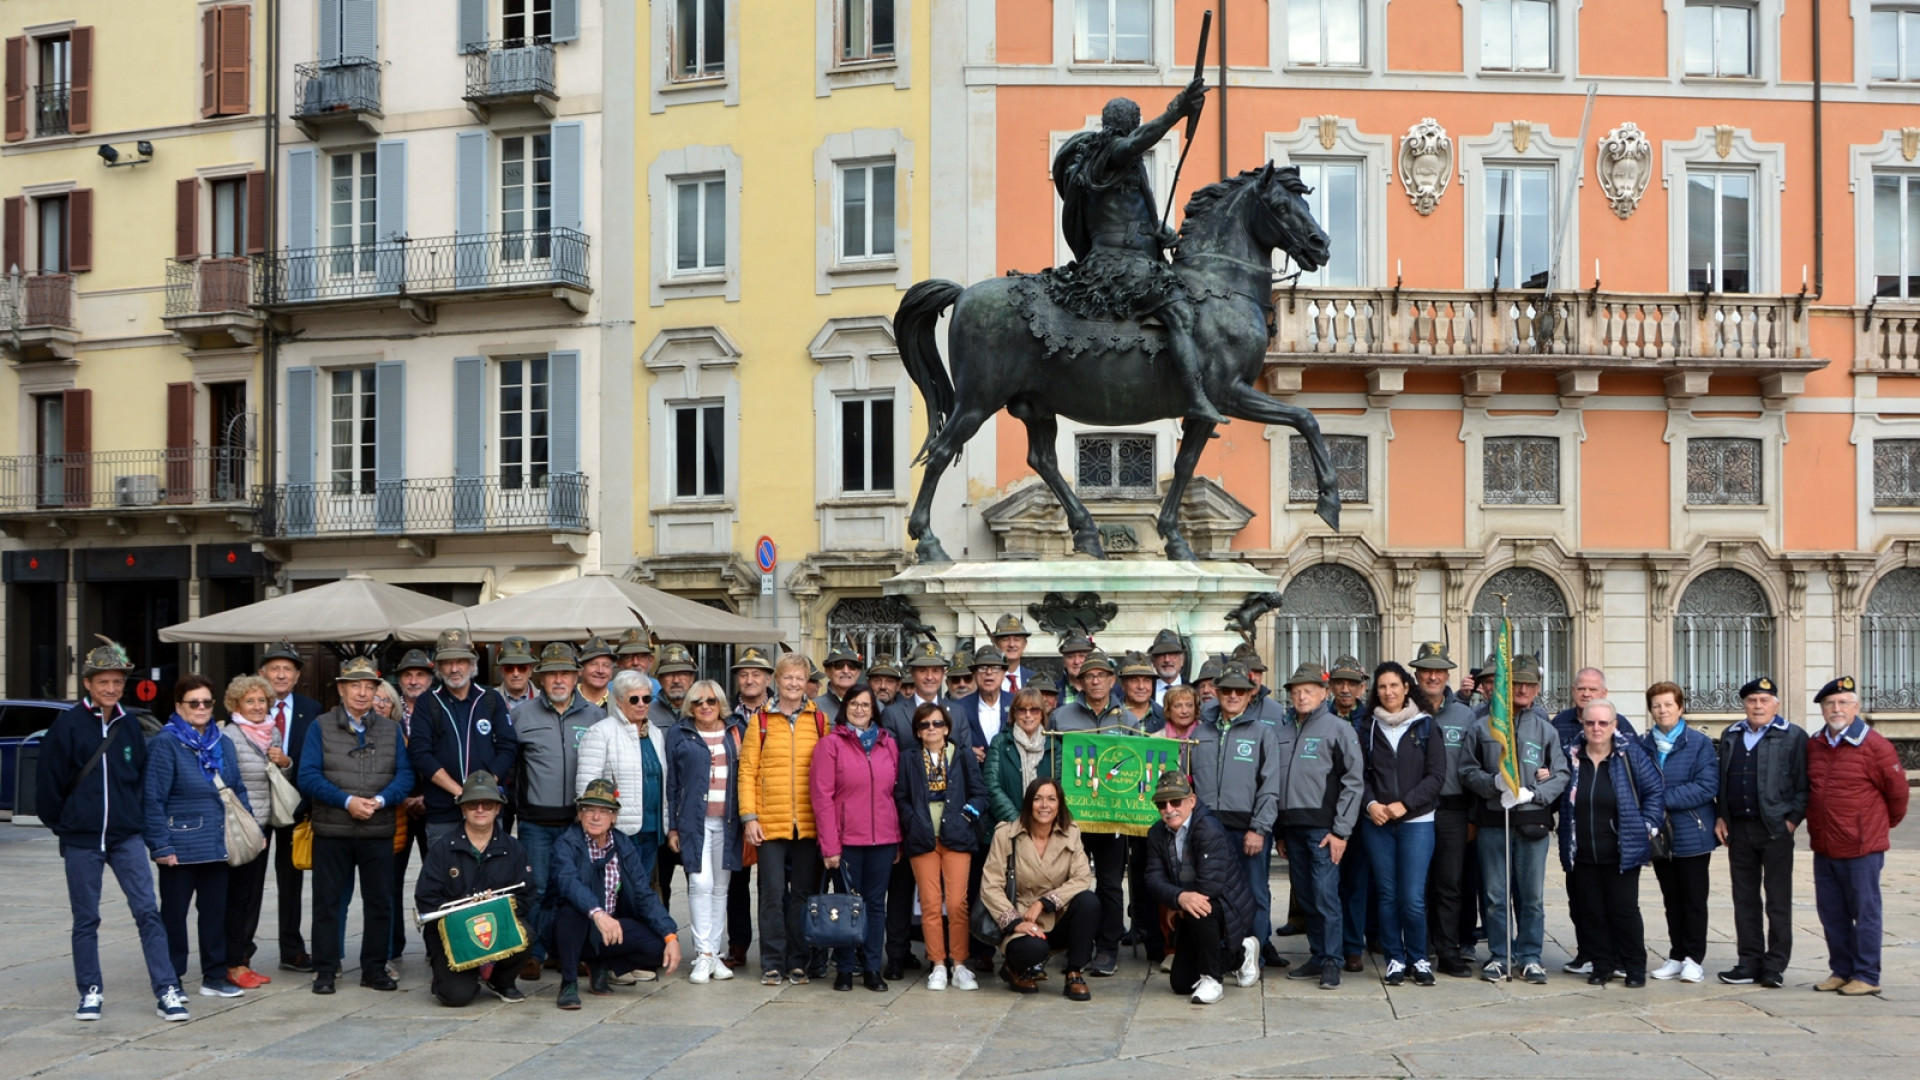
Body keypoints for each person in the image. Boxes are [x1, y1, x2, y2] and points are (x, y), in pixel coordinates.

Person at [1052, 83, 1222, 423]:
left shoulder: (1118, 163)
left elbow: (1130, 213)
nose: (1139, 125)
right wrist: (1177, 109)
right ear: (1128, 122)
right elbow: (1137, 143)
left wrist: (1159, 232)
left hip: (1137, 258)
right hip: (1116, 264)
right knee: (1179, 313)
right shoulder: (1107, 154)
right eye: (1137, 119)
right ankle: (1196, 400)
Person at [40, 640, 185, 1022]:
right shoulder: (67, 726)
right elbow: (47, 787)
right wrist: (68, 824)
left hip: (125, 837)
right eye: (102, 681)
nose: (110, 688)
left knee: (147, 911)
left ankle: (167, 989)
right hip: (82, 839)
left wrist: (131, 819)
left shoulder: (130, 726)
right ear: (88, 683)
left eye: (117, 681)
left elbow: (138, 779)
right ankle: (90, 991)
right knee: (86, 918)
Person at [297, 657, 415, 994]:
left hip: (377, 829)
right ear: (341, 689)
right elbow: (307, 775)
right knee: (328, 903)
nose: (363, 693)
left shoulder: (391, 730)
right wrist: (347, 801)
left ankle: (374, 969)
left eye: (369, 686)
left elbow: (405, 775)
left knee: (380, 903)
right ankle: (325, 970)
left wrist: (379, 801)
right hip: (333, 829)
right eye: (355, 686)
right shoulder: (320, 726)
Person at [1049, 648, 1160, 975]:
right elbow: (1056, 764)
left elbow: (1135, 769)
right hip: (1074, 817)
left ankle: (1108, 947)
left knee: (1110, 883)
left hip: (1112, 819)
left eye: (1101, 676)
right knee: (1071, 881)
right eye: (1089, 676)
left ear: (1113, 681)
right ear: (1080, 682)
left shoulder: (1128, 719)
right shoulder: (1062, 716)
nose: (1095, 681)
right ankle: (1075, 944)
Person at [1460, 654, 1568, 985]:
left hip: (1532, 823)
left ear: (1537, 690)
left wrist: (1536, 793)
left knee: (1531, 897)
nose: (1522, 689)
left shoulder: (1546, 730)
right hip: (1494, 821)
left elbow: (1562, 773)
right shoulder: (1482, 727)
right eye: (1516, 683)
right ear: (1505, 687)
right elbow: (1466, 770)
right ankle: (1499, 955)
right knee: (1494, 896)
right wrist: (1492, 783)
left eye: (1529, 685)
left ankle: (1530, 956)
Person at [143, 675, 252, 1001]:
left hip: (217, 844)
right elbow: (153, 798)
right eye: (194, 703)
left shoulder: (223, 742)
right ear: (179, 706)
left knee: (215, 914)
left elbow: (237, 789)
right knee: (174, 917)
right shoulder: (166, 742)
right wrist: (161, 845)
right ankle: (171, 978)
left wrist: (251, 828)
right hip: (180, 844)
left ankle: (214, 976)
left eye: (206, 702)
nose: (201, 708)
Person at [1806, 676, 1908, 997]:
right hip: (1825, 844)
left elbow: (1898, 795)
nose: (1836, 708)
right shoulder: (1815, 744)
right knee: (1832, 912)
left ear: (1856, 707)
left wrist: (1876, 827)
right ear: (1822, 709)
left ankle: (1866, 974)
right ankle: (1841, 970)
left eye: (1843, 703)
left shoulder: (1876, 746)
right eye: (1830, 704)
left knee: (1865, 912)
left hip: (1862, 847)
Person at [511, 642, 605, 979]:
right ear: (542, 678)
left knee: (574, 888)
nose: (558, 680)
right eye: (551, 674)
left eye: (565, 672)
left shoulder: (595, 716)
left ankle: (568, 952)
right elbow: (512, 766)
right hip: (535, 820)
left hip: (577, 822)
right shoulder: (521, 715)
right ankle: (532, 953)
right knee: (535, 888)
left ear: (576, 675)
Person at [545, 780, 682, 1009]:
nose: (596, 817)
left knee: (659, 948)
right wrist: (597, 914)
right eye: (589, 810)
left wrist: (670, 935)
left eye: (603, 811)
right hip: (569, 931)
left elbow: (642, 893)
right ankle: (568, 982)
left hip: (610, 926)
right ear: (580, 814)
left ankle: (601, 963)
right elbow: (569, 883)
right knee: (572, 911)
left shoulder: (622, 844)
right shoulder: (566, 843)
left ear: (614, 817)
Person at [1556, 699, 1664, 988]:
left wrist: (1647, 828)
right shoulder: (1570, 755)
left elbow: (1654, 791)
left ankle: (1634, 967)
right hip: (1581, 850)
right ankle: (1602, 965)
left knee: (1624, 911)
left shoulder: (1630, 755)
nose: (1596, 728)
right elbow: (1557, 788)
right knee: (1591, 911)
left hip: (1621, 849)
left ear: (1614, 725)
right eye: (1591, 722)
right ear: (1583, 724)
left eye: (1603, 723)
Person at [739, 652, 829, 985]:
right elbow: (747, 771)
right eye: (787, 677)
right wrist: (749, 817)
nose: (793, 683)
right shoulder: (760, 721)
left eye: (799, 678)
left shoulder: (819, 720)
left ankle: (798, 961)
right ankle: (772, 962)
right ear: (777, 681)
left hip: (807, 823)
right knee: (772, 894)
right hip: (770, 822)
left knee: (803, 894)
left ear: (807, 683)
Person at [1713, 677, 1808, 989]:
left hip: (1775, 830)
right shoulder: (1731, 735)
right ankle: (1749, 961)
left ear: (1775, 704)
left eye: (1764, 700)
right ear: (1744, 704)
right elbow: (1722, 780)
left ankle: (1775, 965)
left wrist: (1791, 821)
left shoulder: (1793, 736)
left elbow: (1803, 785)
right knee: (1744, 899)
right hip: (1739, 831)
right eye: (1752, 700)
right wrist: (1722, 816)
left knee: (1778, 900)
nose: (1757, 706)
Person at [1275, 662, 1364, 989]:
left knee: (1326, 895)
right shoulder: (1281, 732)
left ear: (1323, 693)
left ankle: (1332, 960)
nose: (1301, 696)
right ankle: (1317, 954)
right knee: (1307, 897)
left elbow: (1353, 783)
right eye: (1296, 691)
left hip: (1324, 831)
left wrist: (1341, 831)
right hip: (1292, 829)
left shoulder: (1339, 730)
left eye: (1309, 690)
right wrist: (1280, 831)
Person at [1357, 661, 1446, 987]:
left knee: (1412, 896)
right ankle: (1395, 957)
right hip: (1377, 823)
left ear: (1407, 687)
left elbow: (1436, 776)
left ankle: (1418, 957)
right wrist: (1372, 804)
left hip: (1417, 822)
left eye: (1394, 685)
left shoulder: (1425, 726)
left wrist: (1404, 805)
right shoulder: (1368, 728)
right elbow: (1360, 775)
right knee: (1388, 894)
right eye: (1382, 687)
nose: (1388, 692)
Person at [414, 771, 533, 1006]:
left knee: (527, 934)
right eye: (472, 804)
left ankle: (500, 980)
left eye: (487, 804)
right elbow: (426, 897)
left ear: (498, 809)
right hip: (453, 931)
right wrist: (466, 909)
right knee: (456, 997)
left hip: (495, 925)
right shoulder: (443, 848)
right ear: (463, 808)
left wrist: (497, 907)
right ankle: (454, 977)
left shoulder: (514, 848)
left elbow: (527, 895)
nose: (480, 809)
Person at [1192, 664, 1283, 970]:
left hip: (1247, 828)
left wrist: (1259, 828)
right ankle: (1219, 951)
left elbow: (1270, 786)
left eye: (1239, 691)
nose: (1232, 696)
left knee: (1254, 892)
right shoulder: (1199, 732)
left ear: (1250, 694)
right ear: (1216, 693)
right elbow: (1184, 777)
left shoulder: (1262, 733)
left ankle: (1252, 954)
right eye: (1226, 690)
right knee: (1212, 891)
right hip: (1208, 827)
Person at [811, 683, 901, 991]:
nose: (860, 709)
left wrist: (898, 838)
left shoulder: (888, 743)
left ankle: (872, 968)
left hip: (884, 840)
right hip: (847, 840)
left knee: (876, 905)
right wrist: (830, 845)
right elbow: (822, 798)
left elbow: (894, 793)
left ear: (874, 709)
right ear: (845, 707)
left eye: (866, 704)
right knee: (847, 906)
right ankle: (846, 969)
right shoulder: (830, 745)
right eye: (854, 704)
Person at [1143, 772, 1260, 1003]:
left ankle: (1212, 980)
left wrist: (1181, 901)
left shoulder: (1208, 827)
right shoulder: (1156, 832)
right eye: (1161, 804)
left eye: (1175, 801)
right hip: (1190, 900)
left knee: (1199, 906)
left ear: (1192, 801)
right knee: (1181, 983)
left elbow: (1210, 885)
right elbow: (1153, 879)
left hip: (1227, 902)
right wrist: (1178, 898)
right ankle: (1241, 955)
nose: (1169, 809)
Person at [897, 701, 989, 991]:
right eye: (924, 725)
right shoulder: (908, 758)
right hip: (923, 838)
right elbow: (900, 796)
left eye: (937, 723)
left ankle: (959, 963)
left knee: (958, 903)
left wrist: (965, 817)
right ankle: (937, 963)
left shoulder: (962, 755)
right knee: (931, 903)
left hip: (957, 838)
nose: (931, 729)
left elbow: (980, 795)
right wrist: (912, 820)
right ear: (918, 732)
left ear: (947, 728)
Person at [1550, 667, 1635, 977]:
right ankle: (1588, 953)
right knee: (1581, 899)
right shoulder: (1559, 723)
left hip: (1613, 829)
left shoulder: (1620, 724)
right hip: (1576, 827)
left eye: (1592, 689)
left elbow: (1634, 773)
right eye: (1580, 689)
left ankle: (1620, 958)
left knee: (1617, 901)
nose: (1586, 694)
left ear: (1604, 694)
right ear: (1573, 692)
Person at [982, 777, 1098, 1000]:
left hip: (1057, 914)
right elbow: (991, 886)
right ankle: (1013, 969)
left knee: (1089, 902)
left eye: (1051, 799)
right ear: (1028, 803)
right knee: (1034, 951)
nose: (1045, 805)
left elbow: (1082, 877)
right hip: (1021, 917)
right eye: (1038, 799)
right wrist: (1016, 922)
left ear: (1059, 804)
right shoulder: (1006, 835)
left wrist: (1044, 902)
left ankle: (1074, 972)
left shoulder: (1071, 832)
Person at [877, 641, 952, 979]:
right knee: (902, 889)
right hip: (906, 814)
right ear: (914, 674)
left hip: (946, 821)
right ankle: (897, 955)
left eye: (936, 670)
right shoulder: (895, 712)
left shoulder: (956, 710)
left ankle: (947, 954)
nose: (930, 676)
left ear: (943, 674)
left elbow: (961, 761)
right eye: (923, 670)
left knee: (947, 893)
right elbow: (889, 765)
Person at [1408, 642, 1481, 978]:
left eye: (1439, 670)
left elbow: (1474, 768)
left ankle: (1448, 951)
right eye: (1426, 669)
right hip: (1413, 811)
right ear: (1417, 673)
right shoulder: (1405, 711)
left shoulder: (1466, 716)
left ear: (1448, 674)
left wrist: (1472, 817)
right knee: (1416, 884)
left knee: (1450, 885)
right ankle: (1419, 950)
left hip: (1453, 811)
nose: (1433, 676)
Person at [1640, 681, 1718, 983]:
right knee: (1670, 898)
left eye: (1668, 704)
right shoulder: (1642, 745)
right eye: (1657, 705)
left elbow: (1706, 785)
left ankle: (1693, 959)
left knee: (1693, 899)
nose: (1662, 710)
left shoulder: (1698, 743)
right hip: (1659, 835)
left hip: (1692, 832)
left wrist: (1660, 800)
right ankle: (1676, 954)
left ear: (1680, 707)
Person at [409, 629, 517, 849]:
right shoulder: (427, 702)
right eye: (447, 662)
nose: (455, 668)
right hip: (443, 812)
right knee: (446, 878)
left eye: (461, 661)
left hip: (486, 809)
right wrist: (460, 792)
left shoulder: (490, 699)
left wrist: (483, 789)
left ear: (472, 664)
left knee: (489, 876)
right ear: (439, 667)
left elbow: (508, 747)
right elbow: (420, 753)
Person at [666, 679, 743, 984]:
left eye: (711, 700)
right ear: (690, 706)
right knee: (700, 884)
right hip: (692, 823)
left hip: (728, 822)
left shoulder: (735, 731)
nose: (705, 706)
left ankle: (714, 952)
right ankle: (703, 955)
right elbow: (671, 783)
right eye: (698, 702)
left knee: (721, 888)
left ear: (720, 702)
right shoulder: (679, 732)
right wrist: (671, 826)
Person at [220, 674, 289, 991]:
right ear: (236, 705)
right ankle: (232, 962)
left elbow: (273, 775)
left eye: (262, 701)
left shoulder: (271, 733)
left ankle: (242, 959)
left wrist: (284, 761)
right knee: (238, 896)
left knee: (252, 896)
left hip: (263, 824)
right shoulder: (229, 736)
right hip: (241, 827)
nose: (258, 706)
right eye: (250, 701)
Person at [258, 641, 322, 976]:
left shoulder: (312, 710)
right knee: (248, 883)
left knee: (292, 882)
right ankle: (240, 951)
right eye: (274, 668)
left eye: (288, 669)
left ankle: (292, 949)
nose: (281, 674)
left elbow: (316, 760)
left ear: (297, 676)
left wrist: (291, 765)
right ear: (262, 674)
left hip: (294, 808)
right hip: (254, 810)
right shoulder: (250, 706)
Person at [576, 671, 670, 881]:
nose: (641, 704)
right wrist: (597, 825)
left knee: (641, 890)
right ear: (619, 701)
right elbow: (586, 787)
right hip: (618, 831)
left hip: (652, 829)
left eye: (646, 698)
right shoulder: (600, 732)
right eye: (633, 699)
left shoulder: (655, 733)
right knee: (617, 891)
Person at [725, 647, 776, 968]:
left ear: (768, 678)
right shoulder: (725, 712)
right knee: (736, 882)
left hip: (773, 805)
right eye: (743, 674)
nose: (749, 679)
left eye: (756, 674)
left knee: (772, 883)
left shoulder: (781, 709)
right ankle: (738, 945)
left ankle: (776, 945)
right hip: (736, 806)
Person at [1326, 655, 1372, 973]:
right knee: (1326, 883)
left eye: (1351, 683)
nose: (1345, 689)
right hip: (1324, 811)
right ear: (1329, 686)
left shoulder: (1371, 721)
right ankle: (1327, 946)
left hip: (1361, 812)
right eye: (1339, 683)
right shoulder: (1318, 716)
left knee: (1356, 881)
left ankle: (1353, 945)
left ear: (1362, 687)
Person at [984, 688, 1054, 827]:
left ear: (1042, 714)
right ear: (1014, 713)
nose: (1028, 715)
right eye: (1022, 710)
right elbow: (991, 785)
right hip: (1007, 828)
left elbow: (1058, 787)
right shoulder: (1000, 742)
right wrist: (1018, 823)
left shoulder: (1053, 745)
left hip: (1046, 829)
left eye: (1034, 710)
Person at [951, 644, 1011, 761]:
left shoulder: (1015, 704)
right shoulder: (959, 708)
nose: (989, 672)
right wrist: (966, 752)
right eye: (982, 667)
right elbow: (950, 745)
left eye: (995, 667)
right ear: (974, 674)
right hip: (974, 775)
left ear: (1003, 674)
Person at [814, 643, 864, 724]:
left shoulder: (873, 706)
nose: (846, 671)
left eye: (852, 666)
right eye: (839, 665)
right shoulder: (814, 707)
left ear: (858, 673)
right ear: (828, 672)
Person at [990, 614, 1037, 694]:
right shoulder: (988, 678)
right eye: (1005, 640)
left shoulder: (1034, 679)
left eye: (1017, 639)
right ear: (997, 644)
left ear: (1024, 644)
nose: (1011, 644)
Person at [1117, 651, 1164, 730]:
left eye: (1146, 680)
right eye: (1134, 680)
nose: (1141, 686)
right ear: (1123, 684)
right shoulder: (1108, 715)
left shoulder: (1165, 717)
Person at [495, 637, 538, 710]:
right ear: (502, 672)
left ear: (530, 671)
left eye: (522, 668)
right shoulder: (487, 700)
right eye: (509, 668)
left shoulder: (545, 701)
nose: (516, 674)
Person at [1148, 629, 1186, 707]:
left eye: (1172, 654)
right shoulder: (1143, 692)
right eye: (1161, 655)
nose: (1167, 660)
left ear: (1182, 660)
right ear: (1153, 661)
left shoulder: (1195, 690)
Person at [576, 635, 617, 710]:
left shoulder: (619, 705)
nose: (600, 670)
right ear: (580, 670)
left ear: (611, 672)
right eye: (594, 664)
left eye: (606, 665)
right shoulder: (567, 701)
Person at [1057, 630, 1094, 705]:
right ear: (1064, 662)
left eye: (1082, 656)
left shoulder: (1110, 691)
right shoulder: (1053, 691)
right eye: (1070, 657)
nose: (1077, 662)